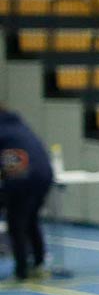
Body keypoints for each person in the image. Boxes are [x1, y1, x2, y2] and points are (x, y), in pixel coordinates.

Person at [1, 103, 53, 282]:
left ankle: (21, 271)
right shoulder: (18, 124)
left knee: (16, 223)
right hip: (44, 175)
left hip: (24, 177)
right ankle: (38, 263)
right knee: (30, 220)